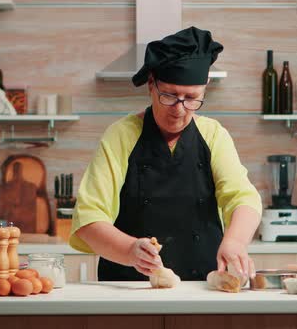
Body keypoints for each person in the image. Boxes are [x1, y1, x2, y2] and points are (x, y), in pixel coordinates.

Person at [70, 26, 262, 282]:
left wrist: (236, 241)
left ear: (204, 90)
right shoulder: (120, 136)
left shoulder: (214, 135)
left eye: (192, 98)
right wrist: (130, 250)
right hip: (128, 288)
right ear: (151, 85)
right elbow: (88, 218)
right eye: (169, 96)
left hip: (200, 287)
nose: (180, 109)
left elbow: (243, 198)